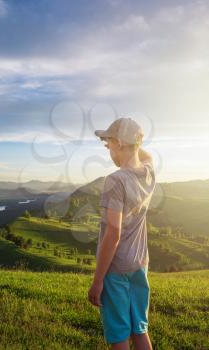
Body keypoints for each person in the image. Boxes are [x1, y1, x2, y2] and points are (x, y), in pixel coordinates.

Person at [88, 117, 156, 350]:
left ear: (119, 142)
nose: (109, 152)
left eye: (109, 146)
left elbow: (113, 232)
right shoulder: (148, 171)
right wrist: (133, 143)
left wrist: (98, 282)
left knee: (118, 335)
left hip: (115, 270)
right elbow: (144, 155)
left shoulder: (115, 181)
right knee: (140, 328)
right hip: (140, 264)